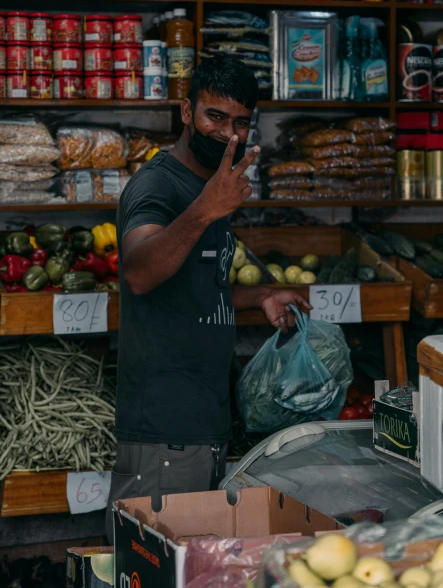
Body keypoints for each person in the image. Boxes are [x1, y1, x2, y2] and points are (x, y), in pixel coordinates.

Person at [105, 56, 310, 540]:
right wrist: (204, 210)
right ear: (185, 111)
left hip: (204, 423)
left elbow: (199, 287)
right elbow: (138, 273)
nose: (227, 133)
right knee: (154, 567)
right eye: (214, 117)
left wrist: (261, 296)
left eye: (241, 122)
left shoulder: (209, 187)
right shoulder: (159, 185)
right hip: (164, 431)